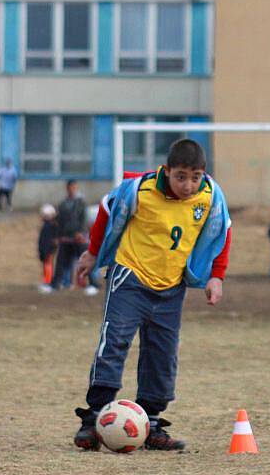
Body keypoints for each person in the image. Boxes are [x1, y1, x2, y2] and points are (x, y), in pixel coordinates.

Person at [73, 138, 231, 452]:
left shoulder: (211, 197)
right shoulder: (141, 190)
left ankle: (152, 421)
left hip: (172, 286)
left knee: (163, 353)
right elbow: (107, 207)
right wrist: (92, 253)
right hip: (129, 277)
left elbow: (222, 230)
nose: (188, 185)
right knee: (114, 340)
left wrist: (216, 276)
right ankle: (93, 418)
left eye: (195, 177)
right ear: (167, 170)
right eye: (181, 176)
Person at [50, 179, 92, 292]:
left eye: (74, 187)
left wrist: (81, 233)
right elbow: (60, 221)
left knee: (85, 261)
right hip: (66, 239)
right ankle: (55, 285)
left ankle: (92, 284)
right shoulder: (63, 204)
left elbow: (83, 219)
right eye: (70, 187)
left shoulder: (80, 203)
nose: (72, 189)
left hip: (79, 238)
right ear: (67, 188)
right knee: (60, 262)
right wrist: (58, 236)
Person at [37, 204, 58, 294]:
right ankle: (46, 280)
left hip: (48, 250)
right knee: (46, 266)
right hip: (46, 250)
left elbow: (47, 240)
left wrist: (45, 250)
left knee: (48, 266)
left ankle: (48, 282)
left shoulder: (49, 227)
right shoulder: (48, 226)